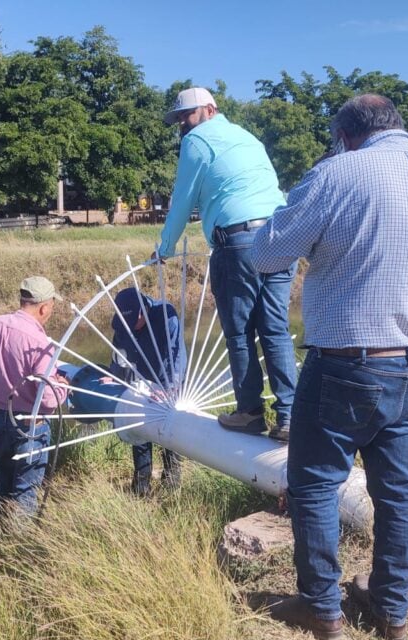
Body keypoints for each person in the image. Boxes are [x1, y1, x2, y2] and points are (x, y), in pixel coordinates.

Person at [252, 94, 408, 640]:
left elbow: (266, 254)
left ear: (345, 134)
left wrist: (302, 199)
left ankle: (322, 608)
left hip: (345, 363)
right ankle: (392, 609)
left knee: (316, 485)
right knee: (399, 488)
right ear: (397, 125)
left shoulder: (337, 173)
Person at [155, 86, 297, 441]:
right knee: (276, 328)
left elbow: (182, 199)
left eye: (187, 115)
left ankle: (249, 413)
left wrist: (166, 247)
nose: (183, 124)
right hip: (280, 235)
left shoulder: (197, 141)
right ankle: (289, 417)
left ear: (210, 110)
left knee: (240, 332)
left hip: (239, 243)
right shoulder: (247, 136)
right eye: (179, 119)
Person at [0, 276, 68, 517]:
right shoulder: (39, 343)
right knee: (25, 491)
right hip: (31, 425)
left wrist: (0, 378)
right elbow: (49, 399)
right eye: (51, 307)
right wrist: (63, 386)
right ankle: (16, 545)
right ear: (44, 307)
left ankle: (0, 527)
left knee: (4, 483)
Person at [108, 287, 186, 495]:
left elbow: (177, 355)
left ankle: (171, 481)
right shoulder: (122, 322)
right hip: (142, 380)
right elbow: (119, 351)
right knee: (140, 427)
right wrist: (114, 374)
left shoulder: (166, 316)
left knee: (170, 429)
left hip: (168, 380)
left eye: (134, 322)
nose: (131, 328)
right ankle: (141, 485)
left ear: (143, 311)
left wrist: (170, 388)